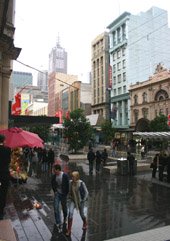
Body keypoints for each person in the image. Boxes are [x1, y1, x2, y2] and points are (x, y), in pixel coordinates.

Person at [66, 171, 88, 236]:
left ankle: (85, 222)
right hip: (72, 199)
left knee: (82, 214)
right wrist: (68, 198)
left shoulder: (81, 183)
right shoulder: (70, 183)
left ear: (77, 177)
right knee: (70, 213)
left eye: (73, 177)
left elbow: (86, 192)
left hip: (80, 201)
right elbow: (68, 191)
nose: (72, 178)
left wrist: (83, 199)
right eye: (72, 176)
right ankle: (69, 229)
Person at [51, 164, 69, 233]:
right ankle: (58, 222)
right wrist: (55, 191)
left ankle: (65, 217)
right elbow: (52, 183)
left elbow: (67, 186)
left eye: (54, 170)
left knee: (64, 207)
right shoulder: (54, 176)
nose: (53, 171)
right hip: (57, 194)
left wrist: (65, 194)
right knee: (56, 207)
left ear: (58, 170)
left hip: (63, 194)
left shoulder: (64, 176)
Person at [0, 134, 11, 220]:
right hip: (4, 174)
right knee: (3, 193)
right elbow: (8, 161)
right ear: (3, 141)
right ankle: (1, 211)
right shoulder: (7, 149)